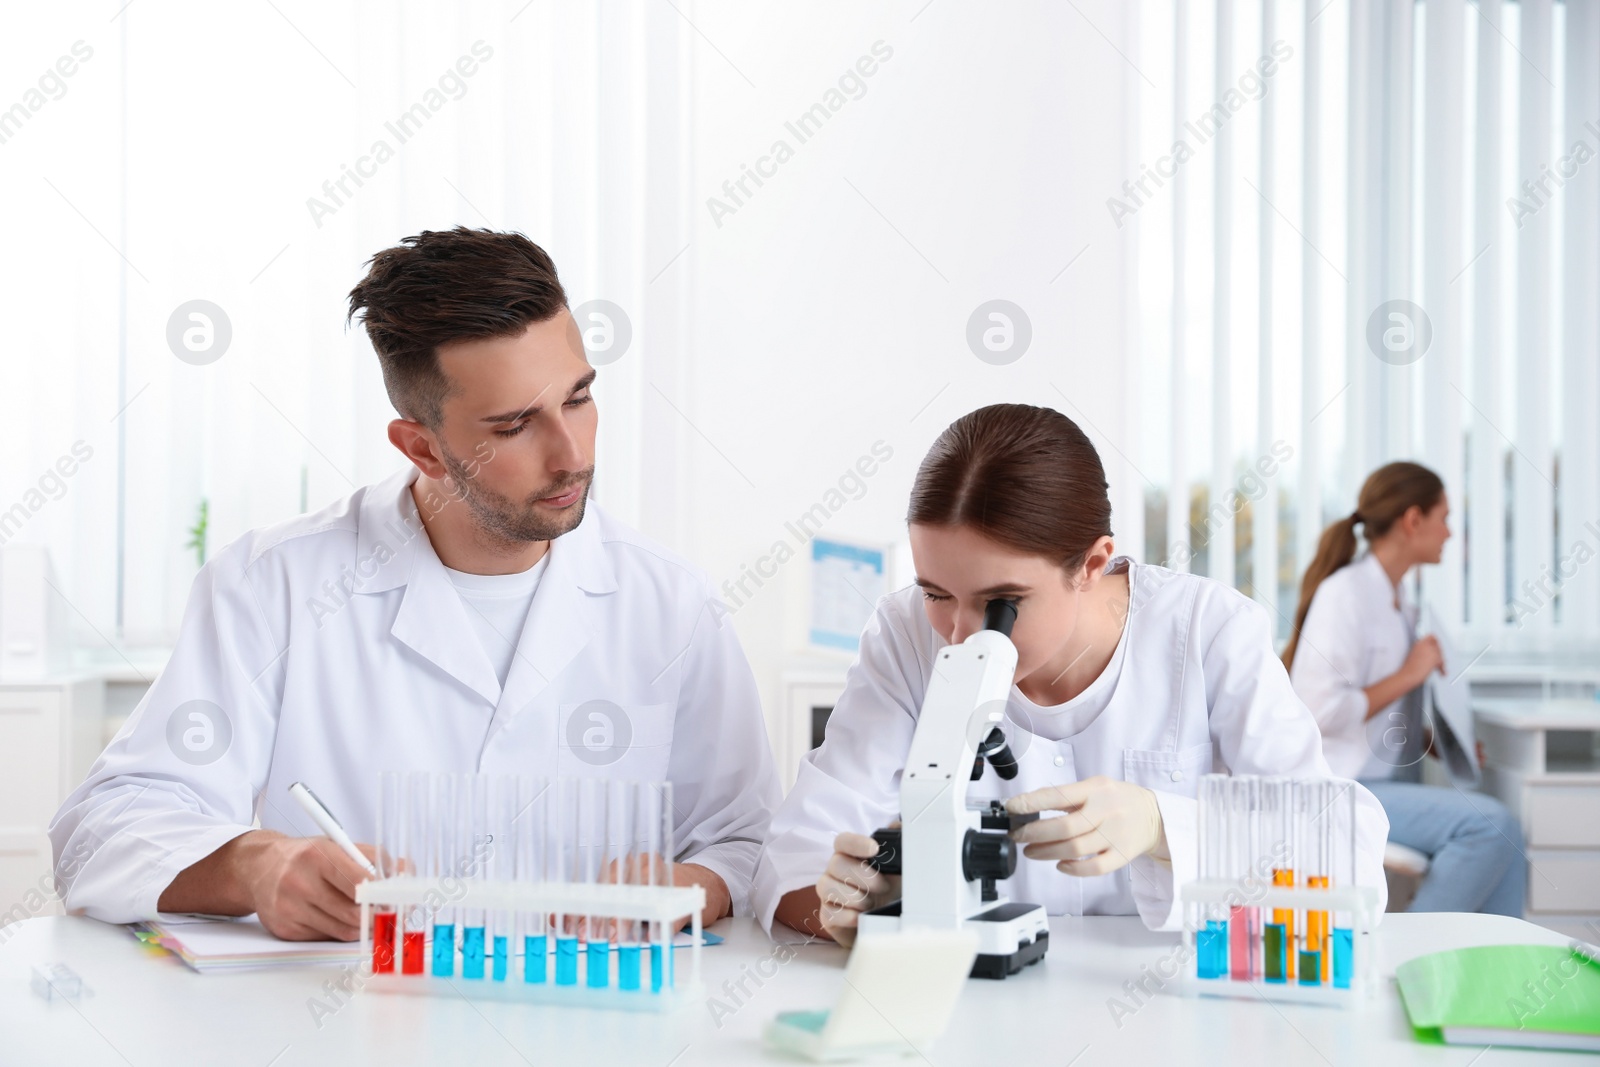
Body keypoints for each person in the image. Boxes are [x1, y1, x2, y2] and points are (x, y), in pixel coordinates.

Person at [49, 227, 779, 939]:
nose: (572, 454)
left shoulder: (672, 605)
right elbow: (103, 826)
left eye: (579, 398)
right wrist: (254, 864)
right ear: (422, 446)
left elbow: (747, 841)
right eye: (516, 424)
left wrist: (696, 884)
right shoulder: (271, 586)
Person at [753, 404, 1389, 943]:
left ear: (1092, 563)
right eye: (936, 592)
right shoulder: (903, 636)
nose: (961, 634)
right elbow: (794, 851)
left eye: (1002, 603)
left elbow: (1348, 855)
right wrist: (855, 908)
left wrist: (1166, 828)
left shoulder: (1209, 630)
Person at [1284, 461, 1525, 916]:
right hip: (1340, 786)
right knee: (1490, 827)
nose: (1450, 534)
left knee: (1508, 838)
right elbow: (1316, 711)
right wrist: (1410, 675)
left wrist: (1438, 741)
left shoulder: (1401, 604)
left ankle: (1501, 974)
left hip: (1380, 780)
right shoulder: (1346, 595)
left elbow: (1377, 713)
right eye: (1445, 518)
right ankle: (1410, 952)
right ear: (1413, 520)